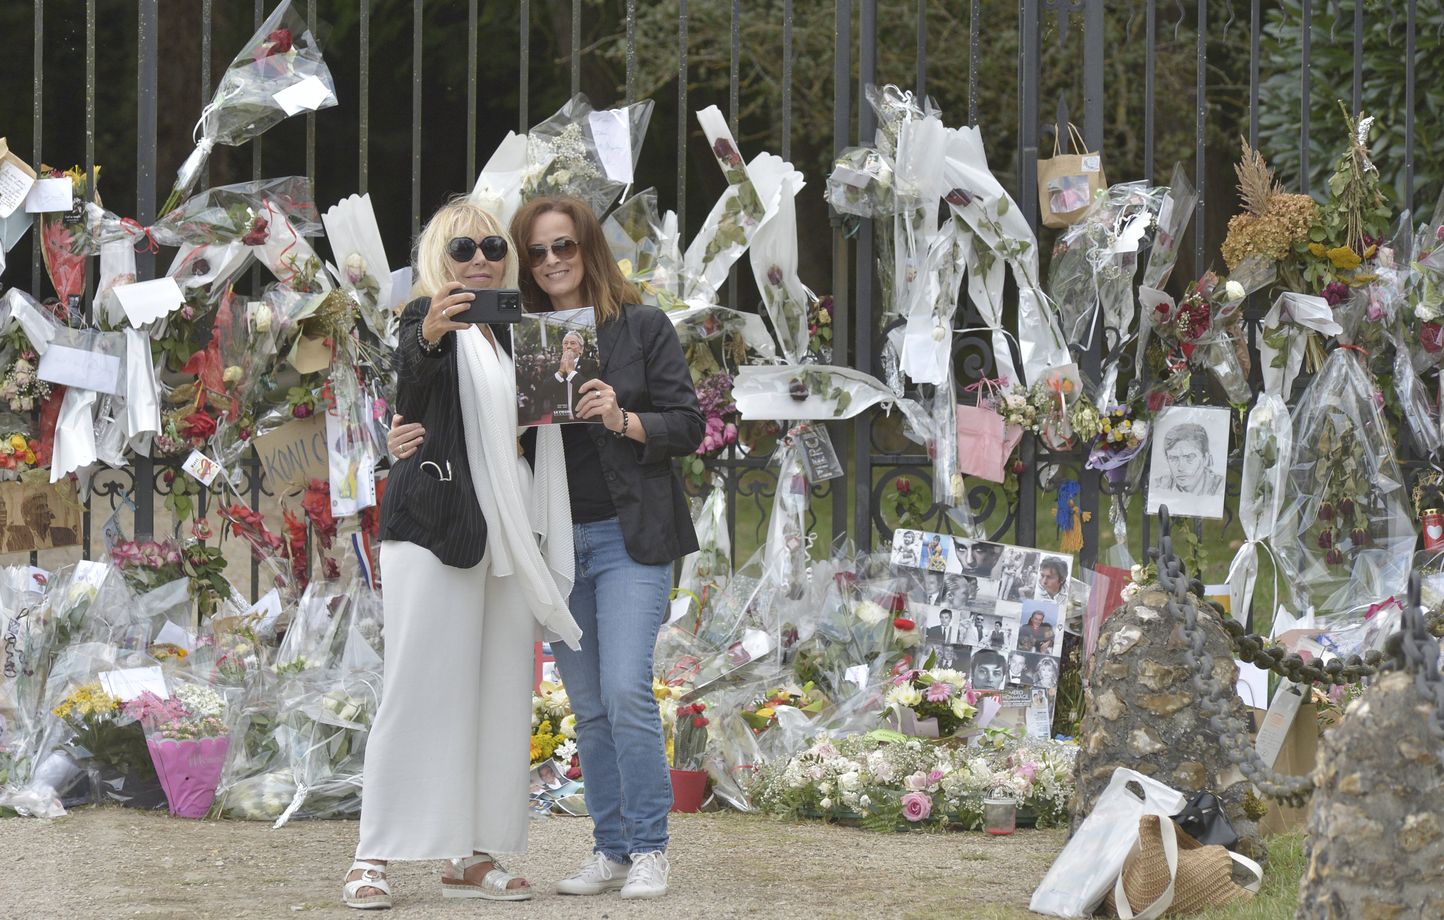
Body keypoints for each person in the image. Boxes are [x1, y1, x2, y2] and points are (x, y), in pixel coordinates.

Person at [388, 195, 703, 900]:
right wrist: (397, 434)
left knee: (624, 691)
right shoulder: (514, 335)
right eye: (534, 250)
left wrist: (623, 419)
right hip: (552, 541)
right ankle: (611, 850)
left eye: (564, 246)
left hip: (629, 539)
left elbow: (689, 424)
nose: (551, 260)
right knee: (588, 704)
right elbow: (448, 408)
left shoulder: (642, 327)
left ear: (590, 248)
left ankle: (650, 846)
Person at [343, 198, 582, 910]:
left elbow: (545, 423)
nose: (480, 257)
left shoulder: (520, 331)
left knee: (498, 692)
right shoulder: (424, 317)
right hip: (436, 524)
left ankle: (471, 856)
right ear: (438, 260)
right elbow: (411, 380)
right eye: (462, 248)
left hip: (511, 528)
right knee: (416, 686)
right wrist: (432, 337)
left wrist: (577, 381)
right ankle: (372, 855)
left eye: (492, 246)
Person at [1151, 422, 1223, 496]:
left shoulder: (1220, 488)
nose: (1180, 468)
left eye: (1189, 457)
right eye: (1174, 458)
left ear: (1205, 459)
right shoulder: (1159, 486)